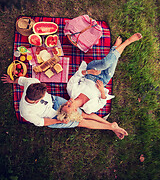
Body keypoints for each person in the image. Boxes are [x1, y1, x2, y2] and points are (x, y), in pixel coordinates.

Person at [1, 33, 142, 139]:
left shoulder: (31, 83)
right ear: (37, 100)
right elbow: (42, 122)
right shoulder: (26, 112)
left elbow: (21, 81)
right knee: (81, 122)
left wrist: (12, 81)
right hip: (53, 117)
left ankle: (111, 126)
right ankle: (110, 127)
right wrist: (58, 120)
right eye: (44, 94)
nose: (69, 101)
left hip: (57, 102)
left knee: (84, 115)